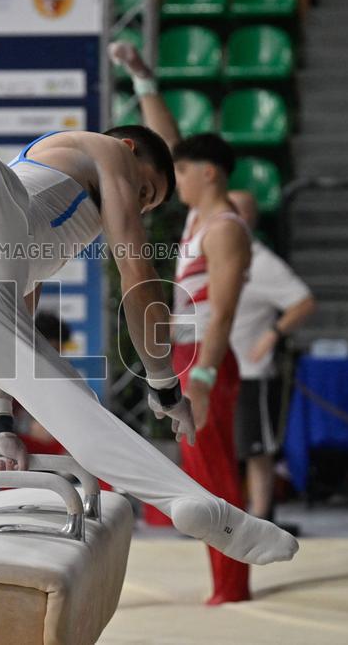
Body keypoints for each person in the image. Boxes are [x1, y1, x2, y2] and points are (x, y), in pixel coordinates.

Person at [0, 24, 296, 569]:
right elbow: (137, 272)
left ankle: (196, 503)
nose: (140, 204)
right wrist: (162, 379)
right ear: (131, 151)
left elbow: (18, 300)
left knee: (74, 407)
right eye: (145, 190)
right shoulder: (106, 150)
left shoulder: (72, 228)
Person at [111, 40, 257, 604]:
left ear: (211, 174)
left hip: (205, 360)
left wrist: (203, 374)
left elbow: (222, 310)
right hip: (185, 356)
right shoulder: (201, 212)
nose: (176, 177)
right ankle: (226, 578)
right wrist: (143, 78)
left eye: (186, 170)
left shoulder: (225, 227)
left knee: (215, 474)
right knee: (199, 474)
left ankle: (233, 584)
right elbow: (168, 144)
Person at [228, 191, 316, 524]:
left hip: (250, 370)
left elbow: (303, 302)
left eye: (239, 210)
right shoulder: (208, 253)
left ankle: (263, 516)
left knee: (256, 449)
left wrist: (273, 334)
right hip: (214, 367)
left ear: (251, 218)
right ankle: (222, 518)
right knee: (222, 449)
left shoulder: (262, 263)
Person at [14, 312, 70, 456]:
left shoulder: (62, 373)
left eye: (58, 350)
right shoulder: (15, 371)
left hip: (55, 442)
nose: (56, 354)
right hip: (17, 441)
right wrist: (29, 428)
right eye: (53, 349)